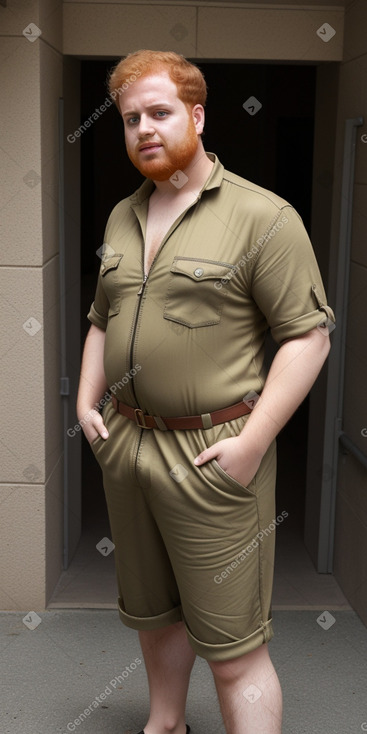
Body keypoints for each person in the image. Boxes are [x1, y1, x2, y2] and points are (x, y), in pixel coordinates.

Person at [76, 50, 335, 734]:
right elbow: (101, 318)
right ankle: (166, 723)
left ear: (196, 115)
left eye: (159, 113)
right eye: (130, 119)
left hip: (213, 452)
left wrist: (251, 444)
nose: (143, 129)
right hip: (129, 443)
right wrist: (85, 401)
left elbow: (308, 340)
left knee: (232, 647)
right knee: (154, 613)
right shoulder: (121, 217)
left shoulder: (263, 218)